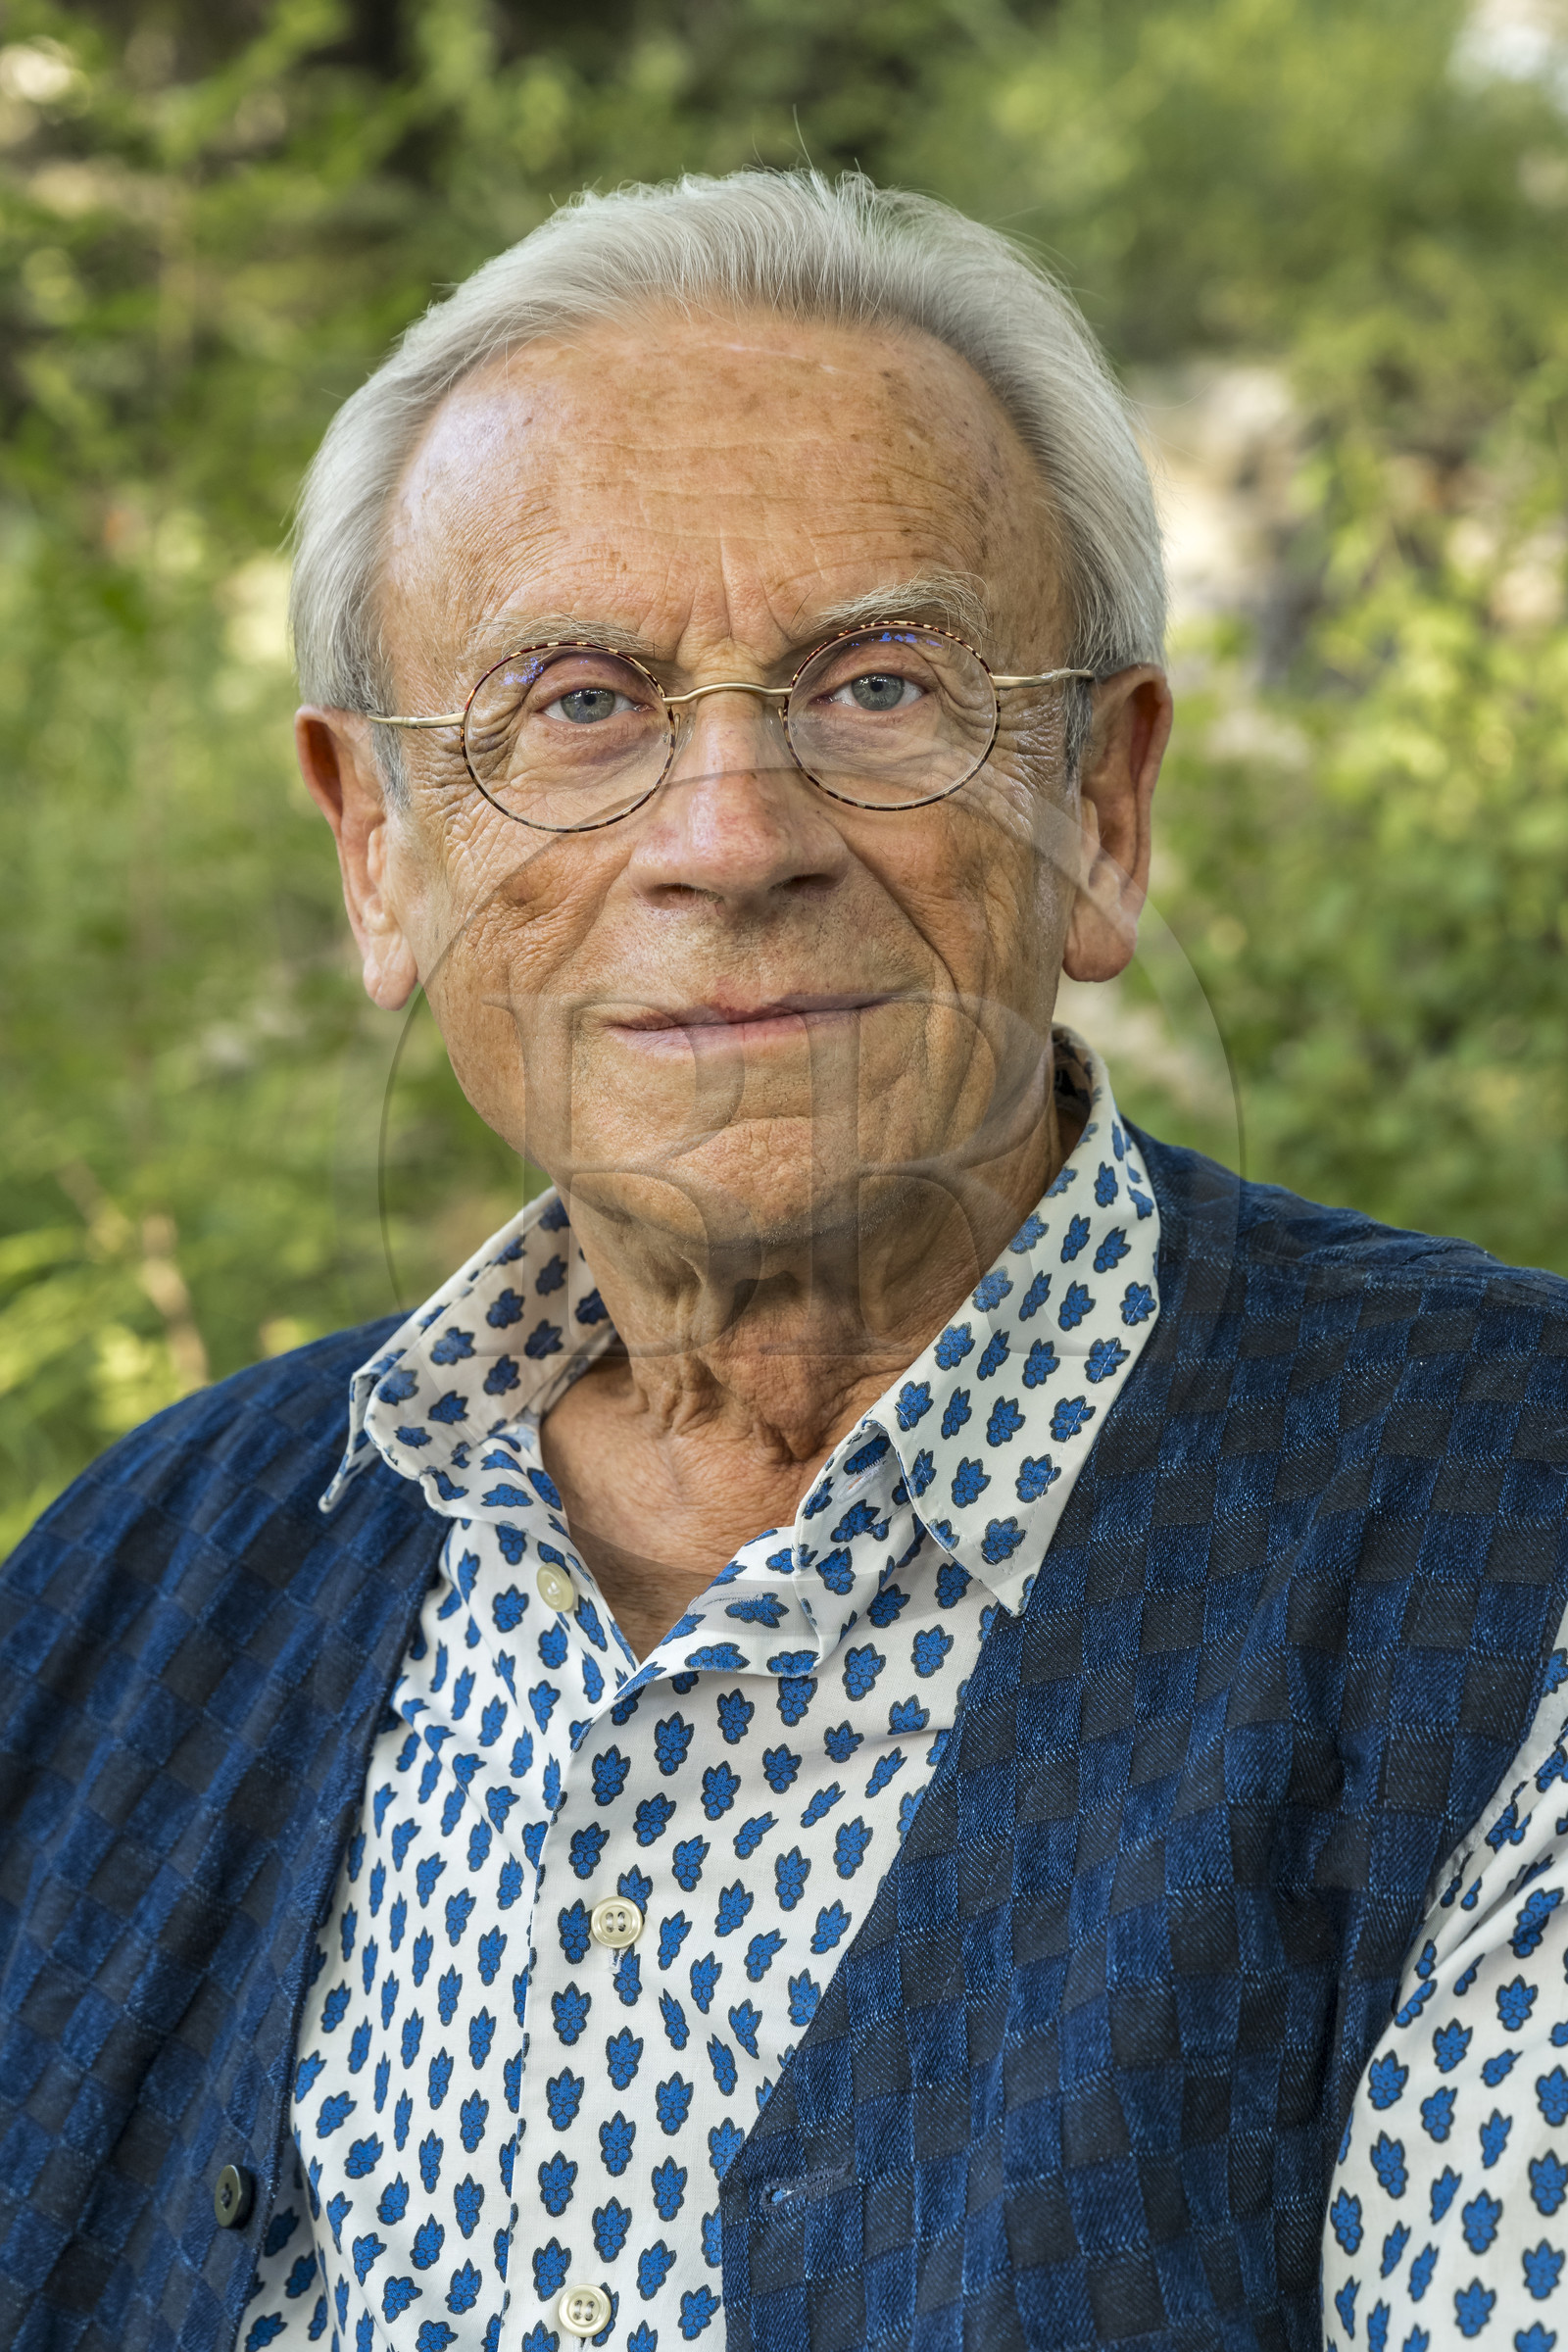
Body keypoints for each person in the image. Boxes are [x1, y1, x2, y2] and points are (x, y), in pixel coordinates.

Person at [3, 172, 1565, 2352]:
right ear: (378, 849)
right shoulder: (123, 1591)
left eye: (881, 686)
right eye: (573, 704)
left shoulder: (1509, 1555)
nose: (729, 838)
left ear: (1098, 816)